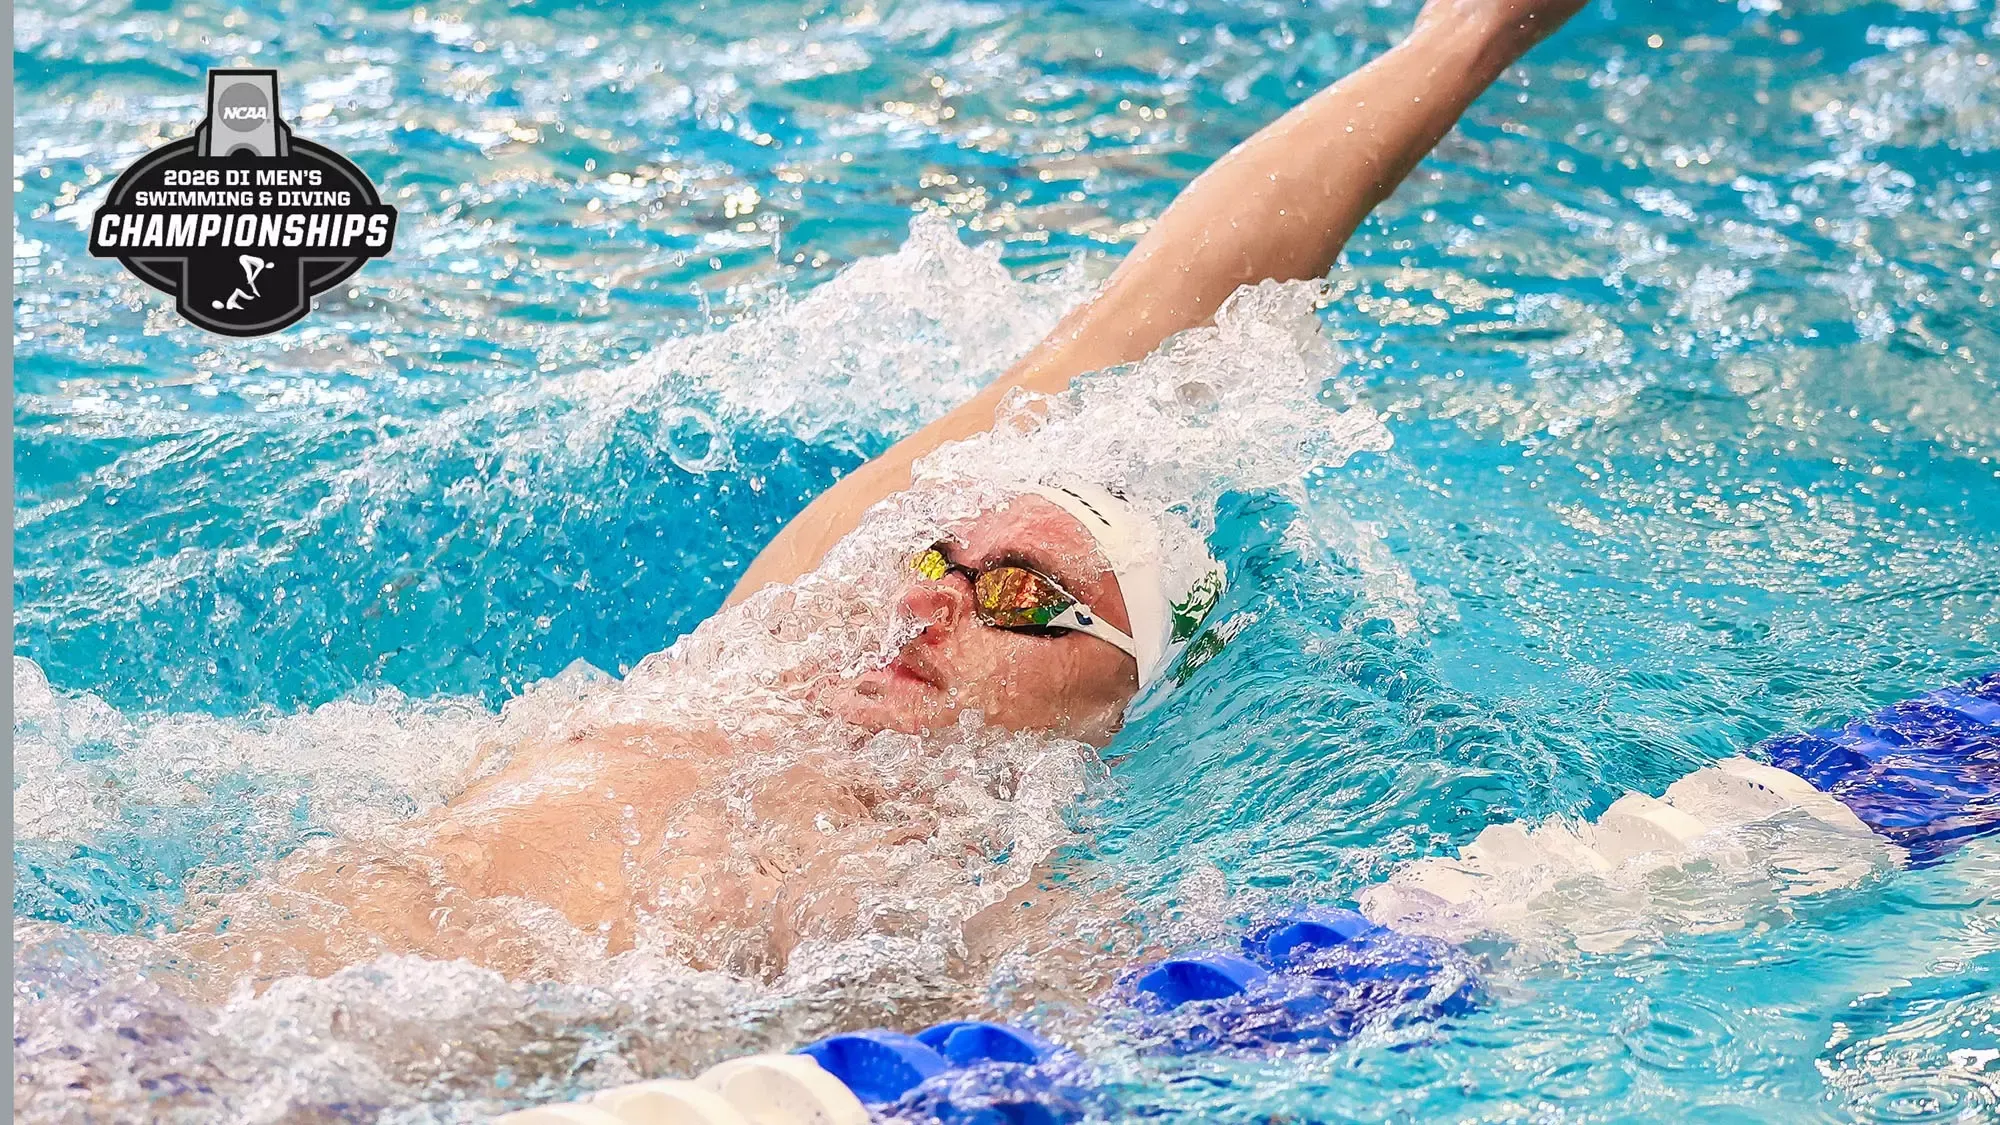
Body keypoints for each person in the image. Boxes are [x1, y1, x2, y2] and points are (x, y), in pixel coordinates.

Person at [166, 0, 1588, 990]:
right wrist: (1455, 33)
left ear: (1117, 698)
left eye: (1029, 601)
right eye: (943, 562)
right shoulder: (757, 658)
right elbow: (1126, 327)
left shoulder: (966, 910)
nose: (929, 606)